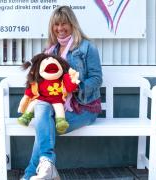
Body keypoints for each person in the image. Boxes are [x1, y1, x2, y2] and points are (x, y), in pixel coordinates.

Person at [21, 5, 103, 180]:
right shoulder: (50, 51)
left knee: (43, 128)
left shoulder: (87, 48)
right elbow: (42, 80)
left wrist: (75, 87)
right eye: (56, 25)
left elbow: (97, 79)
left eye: (64, 24)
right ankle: (48, 166)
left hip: (84, 107)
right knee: (42, 107)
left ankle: (30, 174)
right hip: (55, 107)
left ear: (72, 24)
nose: (60, 28)